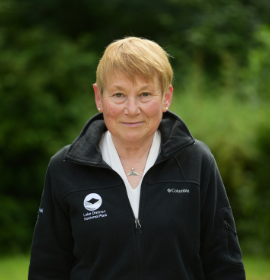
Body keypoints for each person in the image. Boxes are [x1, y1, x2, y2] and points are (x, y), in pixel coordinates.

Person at [28, 37, 246, 280]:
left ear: (166, 97)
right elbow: (46, 270)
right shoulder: (65, 168)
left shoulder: (197, 162)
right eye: (119, 95)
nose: (132, 109)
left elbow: (224, 265)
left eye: (145, 94)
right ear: (99, 97)